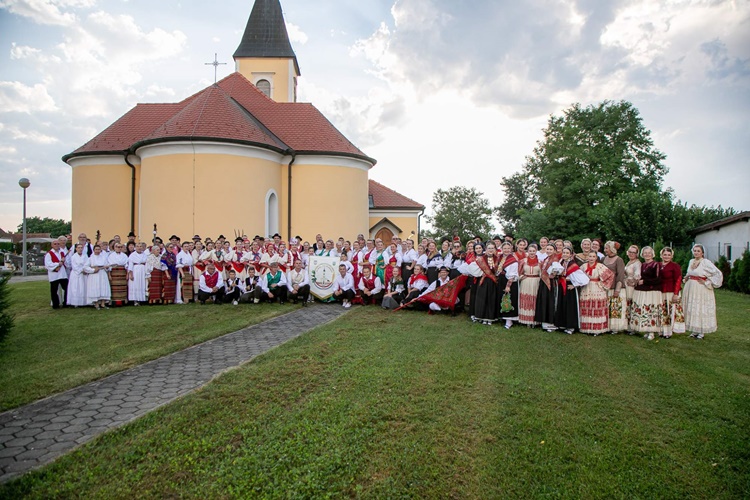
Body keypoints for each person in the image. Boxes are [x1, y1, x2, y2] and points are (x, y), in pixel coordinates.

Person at [682, 244, 723, 339]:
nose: (696, 252)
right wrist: (687, 277)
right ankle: (694, 330)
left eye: (698, 251)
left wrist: (707, 282)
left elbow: (717, 273)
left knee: (700, 307)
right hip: (690, 287)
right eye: (695, 251)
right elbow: (690, 272)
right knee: (692, 307)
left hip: (700, 289)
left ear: (702, 253)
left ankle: (701, 332)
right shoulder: (691, 261)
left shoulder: (705, 262)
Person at [553, 247, 590, 334]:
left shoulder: (573, 264)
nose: (565, 254)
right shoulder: (560, 262)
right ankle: (562, 324)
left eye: (567, 253)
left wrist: (575, 285)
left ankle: (571, 326)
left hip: (569, 287)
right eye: (564, 252)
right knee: (561, 304)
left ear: (570, 254)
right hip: (562, 285)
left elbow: (584, 278)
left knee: (570, 306)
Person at [461, 242, 498, 325]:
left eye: (492, 248)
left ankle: (490, 317)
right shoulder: (481, 259)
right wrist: (482, 273)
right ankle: (482, 316)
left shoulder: (497, 258)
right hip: (483, 281)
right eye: (489, 248)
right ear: (486, 249)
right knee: (482, 299)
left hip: (492, 282)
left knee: (491, 299)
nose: (490, 250)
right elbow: (471, 268)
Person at [579, 251, 615, 335]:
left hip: (597, 289)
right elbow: (578, 275)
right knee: (586, 306)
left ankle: (597, 329)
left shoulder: (600, 266)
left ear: (596, 258)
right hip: (586, 288)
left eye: (593, 256)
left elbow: (610, 275)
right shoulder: (583, 266)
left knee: (596, 306)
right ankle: (586, 328)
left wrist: (602, 284)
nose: (591, 258)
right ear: (587, 257)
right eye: (590, 256)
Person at [630, 246, 662, 340]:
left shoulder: (656, 265)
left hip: (652, 291)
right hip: (642, 290)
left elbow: (658, 279)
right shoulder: (643, 265)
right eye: (645, 253)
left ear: (652, 254)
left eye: (649, 253)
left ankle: (652, 331)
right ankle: (646, 329)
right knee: (643, 310)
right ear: (642, 254)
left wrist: (645, 281)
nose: (647, 254)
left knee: (650, 311)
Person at [602, 241, 627, 333]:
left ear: (612, 249)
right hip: (606, 286)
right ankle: (606, 325)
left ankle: (615, 327)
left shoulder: (619, 260)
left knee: (615, 307)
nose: (605, 250)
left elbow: (621, 275)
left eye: (607, 248)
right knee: (607, 307)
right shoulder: (603, 259)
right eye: (605, 248)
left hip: (616, 286)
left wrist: (617, 289)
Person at [659, 247, 684, 338]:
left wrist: (676, 293)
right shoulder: (658, 265)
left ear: (672, 256)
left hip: (671, 291)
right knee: (662, 311)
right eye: (665, 254)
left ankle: (668, 332)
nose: (666, 256)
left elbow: (678, 280)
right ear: (661, 255)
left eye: (669, 255)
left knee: (670, 311)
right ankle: (661, 330)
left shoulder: (675, 266)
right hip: (661, 291)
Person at [534, 243, 559, 331]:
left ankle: (550, 322)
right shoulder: (546, 258)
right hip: (544, 282)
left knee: (549, 301)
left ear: (554, 250)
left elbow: (556, 272)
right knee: (544, 300)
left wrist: (554, 274)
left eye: (550, 249)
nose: (548, 251)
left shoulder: (555, 259)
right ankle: (544, 321)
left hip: (550, 283)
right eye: (547, 249)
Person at [497, 242, 520, 329]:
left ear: (511, 249)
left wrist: (508, 286)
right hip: (502, 280)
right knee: (502, 299)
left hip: (509, 282)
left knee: (509, 299)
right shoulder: (501, 258)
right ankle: (503, 317)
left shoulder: (512, 260)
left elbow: (512, 275)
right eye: (505, 248)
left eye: (508, 248)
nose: (506, 250)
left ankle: (509, 321)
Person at [518, 243, 541, 327]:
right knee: (526, 299)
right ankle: (525, 320)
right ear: (527, 251)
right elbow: (518, 272)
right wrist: (521, 277)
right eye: (530, 251)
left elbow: (542, 274)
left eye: (533, 251)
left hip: (536, 282)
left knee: (534, 299)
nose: (532, 252)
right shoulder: (523, 261)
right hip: (526, 281)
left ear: (536, 251)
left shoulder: (540, 262)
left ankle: (534, 320)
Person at [85, 244, 111, 309]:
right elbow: (85, 267)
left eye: (99, 249)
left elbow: (108, 266)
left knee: (103, 288)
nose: (97, 251)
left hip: (102, 274)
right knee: (95, 288)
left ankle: (103, 304)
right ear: (93, 250)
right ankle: (96, 304)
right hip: (94, 275)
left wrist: (107, 267)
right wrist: (93, 270)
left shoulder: (104, 258)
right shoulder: (90, 258)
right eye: (96, 249)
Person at [45, 239, 68, 309]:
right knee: (54, 290)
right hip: (54, 275)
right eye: (55, 244)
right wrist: (58, 264)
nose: (57, 245)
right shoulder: (49, 254)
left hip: (63, 274)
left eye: (58, 244)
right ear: (52, 245)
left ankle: (66, 303)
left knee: (67, 288)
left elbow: (66, 263)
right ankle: (56, 304)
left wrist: (64, 263)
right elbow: (48, 264)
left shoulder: (62, 253)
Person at [623, 245, 642, 334]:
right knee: (627, 305)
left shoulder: (637, 263)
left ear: (637, 254)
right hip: (626, 285)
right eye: (630, 252)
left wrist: (632, 281)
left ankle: (632, 327)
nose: (631, 254)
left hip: (631, 287)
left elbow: (637, 276)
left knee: (631, 305)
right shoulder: (629, 262)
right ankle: (627, 326)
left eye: (633, 252)